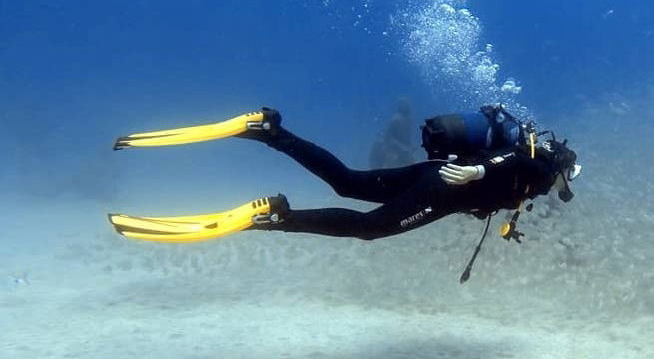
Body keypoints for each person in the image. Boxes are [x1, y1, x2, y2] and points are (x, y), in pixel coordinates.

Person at [108, 106, 580, 251]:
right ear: (566, 170)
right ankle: (274, 217)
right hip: (446, 187)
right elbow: (516, 161)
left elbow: (513, 167)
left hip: (437, 174)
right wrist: (480, 169)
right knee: (369, 228)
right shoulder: (542, 167)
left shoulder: (537, 169)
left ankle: (270, 132)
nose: (564, 190)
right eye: (569, 182)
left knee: (348, 182)